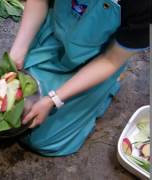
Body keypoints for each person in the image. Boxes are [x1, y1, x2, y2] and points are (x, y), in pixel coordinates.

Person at [9, 0, 150, 156]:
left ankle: (100, 94)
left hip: (97, 59)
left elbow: (111, 60)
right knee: (10, 103)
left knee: (43, 140)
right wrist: (18, 50)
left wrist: (54, 99)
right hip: (55, 34)